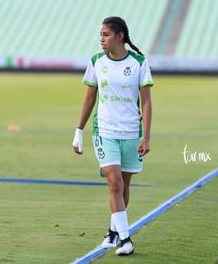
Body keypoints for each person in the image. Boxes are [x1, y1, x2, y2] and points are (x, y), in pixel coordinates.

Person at [72, 16, 153, 255]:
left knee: (124, 185)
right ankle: (126, 239)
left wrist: (146, 136)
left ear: (120, 36)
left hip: (131, 131)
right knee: (114, 182)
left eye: (106, 35)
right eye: (100, 35)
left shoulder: (139, 62)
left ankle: (112, 231)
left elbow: (146, 103)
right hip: (105, 130)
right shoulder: (96, 62)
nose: (101, 40)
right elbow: (89, 98)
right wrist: (79, 130)